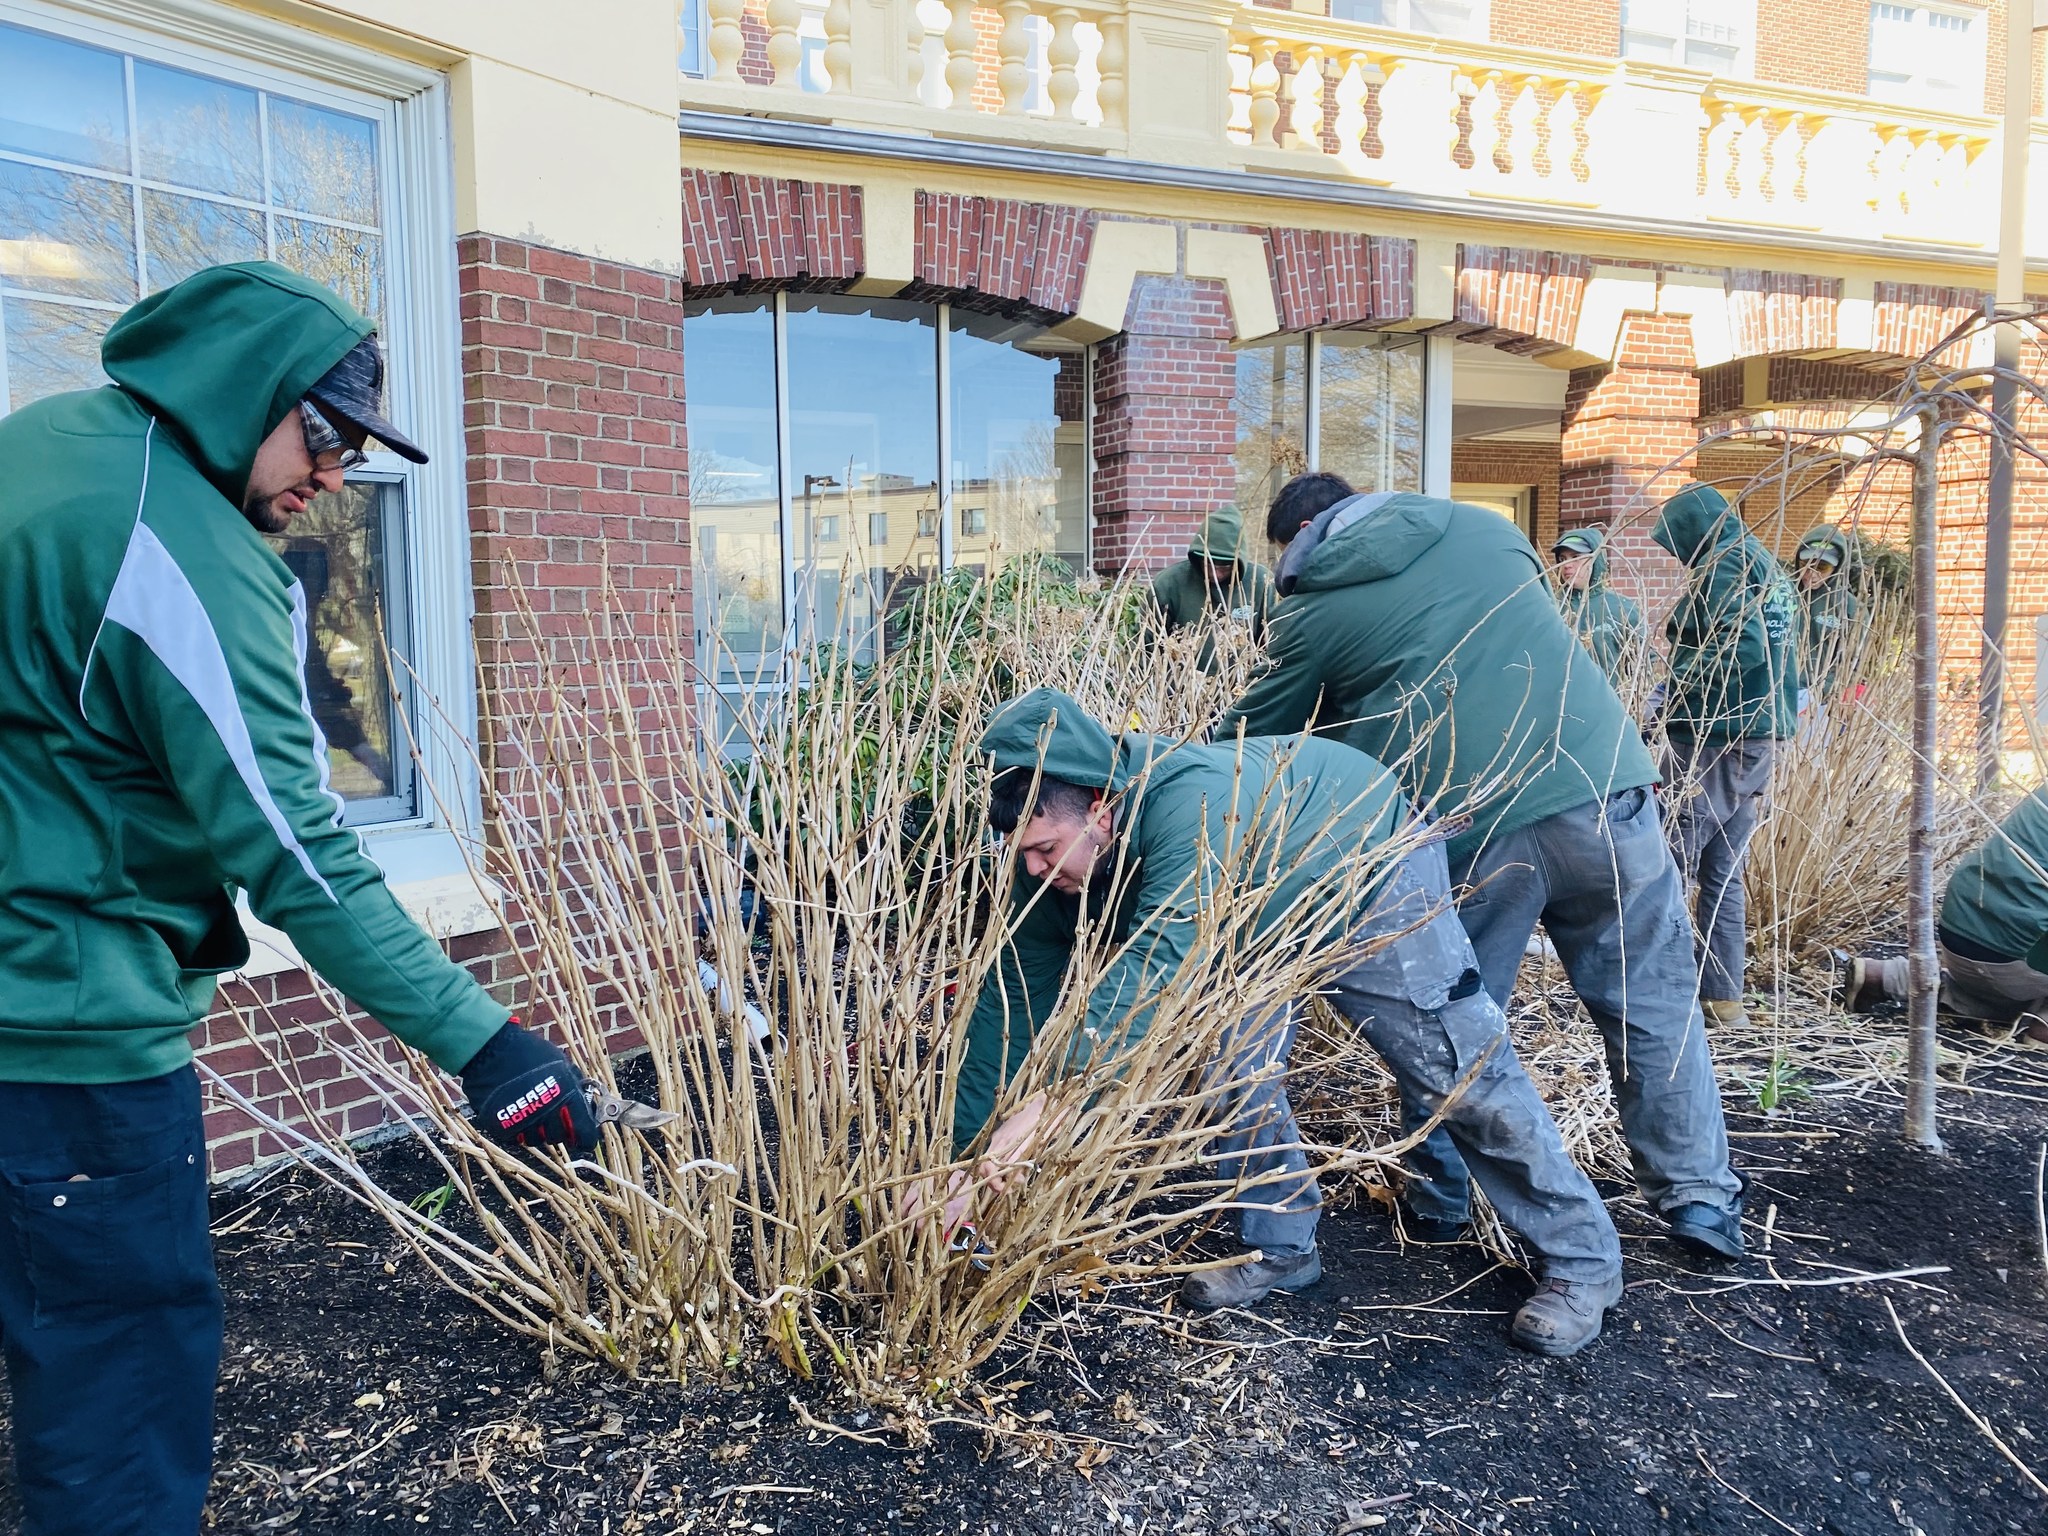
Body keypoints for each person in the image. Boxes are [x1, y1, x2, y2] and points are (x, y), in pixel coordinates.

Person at [0, 261, 601, 1536]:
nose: (336, 476)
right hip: (62, 1033)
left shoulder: (42, 447)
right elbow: (298, 851)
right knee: (118, 1377)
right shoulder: (177, 547)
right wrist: (487, 1045)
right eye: (323, 435)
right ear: (244, 394)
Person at [953, 688, 1625, 1355]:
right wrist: (963, 1158)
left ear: (1100, 809)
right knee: (1230, 1072)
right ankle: (1280, 1246)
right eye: (1024, 856)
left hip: (1362, 867)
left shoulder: (1195, 807)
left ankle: (1583, 1263)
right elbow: (1010, 992)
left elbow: (1151, 976)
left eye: (1045, 849)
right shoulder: (1046, 868)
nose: (1036, 871)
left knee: (1457, 1066)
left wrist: (1047, 1110)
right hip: (1243, 910)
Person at [1216, 473, 1747, 1263]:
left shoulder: (1313, 613)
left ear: (1299, 535)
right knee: (1655, 1010)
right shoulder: (1489, 533)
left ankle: (1439, 1197)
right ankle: (1701, 1200)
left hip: (1474, 829)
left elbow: (1254, 749)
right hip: (1605, 791)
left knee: (1449, 1029)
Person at [1651, 483, 1800, 1027]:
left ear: (1693, 531)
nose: (1675, 554)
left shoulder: (1723, 567)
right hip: (1759, 736)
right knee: (1722, 872)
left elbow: (1744, 646)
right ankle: (1722, 997)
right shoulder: (1766, 565)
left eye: (1675, 542)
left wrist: (1675, 688)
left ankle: (1657, 994)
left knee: (1668, 863)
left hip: (1716, 736)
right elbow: (1783, 650)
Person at [1842, 787, 2048, 1043]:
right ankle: (2043, 1027)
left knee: (2007, 1001)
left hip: (1962, 928)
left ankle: (1889, 978)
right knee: (2020, 988)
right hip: (2019, 950)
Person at [1147, 503, 1276, 644]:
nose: (1215, 573)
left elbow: (1274, 643)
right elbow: (1146, 646)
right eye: (1208, 564)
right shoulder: (1169, 584)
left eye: (1225, 567)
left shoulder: (1261, 583)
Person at [1550, 526, 1647, 691]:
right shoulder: (1550, 606)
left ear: (1596, 560)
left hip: (1606, 706)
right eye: (1563, 558)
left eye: (1576, 557)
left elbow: (1642, 664)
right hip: (1557, 706)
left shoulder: (1621, 608)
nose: (1567, 565)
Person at [1791, 523, 1859, 715]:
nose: (1811, 574)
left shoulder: (1848, 607)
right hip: (1780, 692)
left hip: (1821, 702)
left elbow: (1854, 660)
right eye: (1806, 564)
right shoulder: (1783, 595)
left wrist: (1822, 693)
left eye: (1822, 567)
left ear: (1838, 567)